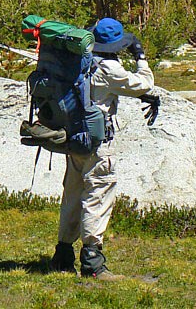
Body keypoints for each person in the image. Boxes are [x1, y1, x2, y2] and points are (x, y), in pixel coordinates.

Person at [48, 17, 154, 280]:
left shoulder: (76, 62)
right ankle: (92, 261)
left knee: (72, 194)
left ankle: (62, 255)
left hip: (74, 139)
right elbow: (144, 83)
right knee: (98, 195)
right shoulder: (109, 69)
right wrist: (139, 55)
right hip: (99, 145)